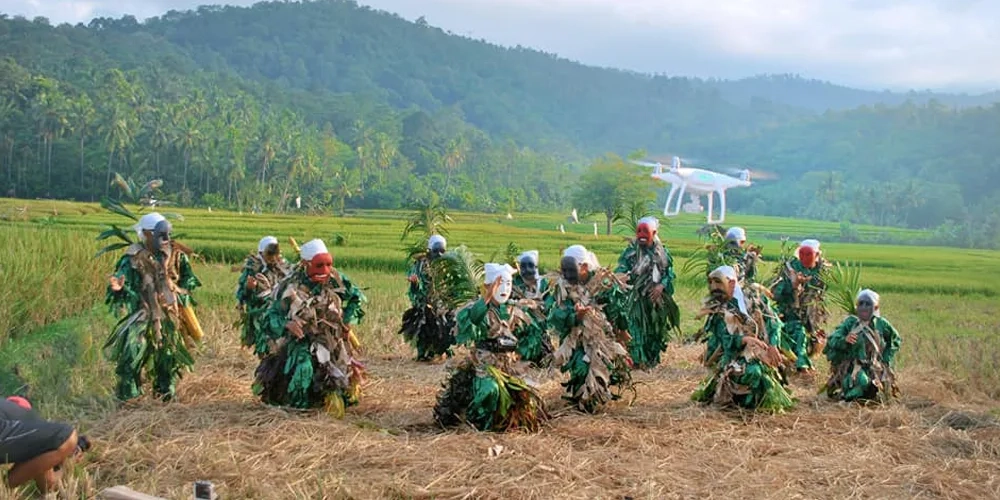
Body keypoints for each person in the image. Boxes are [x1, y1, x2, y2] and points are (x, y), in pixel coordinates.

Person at [253, 239, 367, 417]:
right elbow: (270, 316)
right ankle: (301, 410)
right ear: (305, 264)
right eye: (319, 266)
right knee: (303, 369)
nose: (325, 271)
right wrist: (287, 324)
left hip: (330, 337)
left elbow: (356, 297)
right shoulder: (290, 285)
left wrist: (346, 319)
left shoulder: (336, 279)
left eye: (328, 265)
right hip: (302, 339)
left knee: (337, 380)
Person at [433, 263, 546, 431]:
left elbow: (530, 333)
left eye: (508, 284)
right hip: (485, 365)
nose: (505, 289)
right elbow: (474, 318)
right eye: (500, 284)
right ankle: (476, 423)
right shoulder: (477, 308)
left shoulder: (513, 308)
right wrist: (486, 297)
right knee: (490, 390)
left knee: (528, 397)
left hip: (508, 366)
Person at [104, 212, 203, 402]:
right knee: (131, 354)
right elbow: (124, 283)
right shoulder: (133, 258)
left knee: (167, 358)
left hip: (168, 316)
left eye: (166, 234)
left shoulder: (176, 256)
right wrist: (118, 288)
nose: (165, 239)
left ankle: (165, 396)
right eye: (160, 235)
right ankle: (129, 399)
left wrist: (176, 290)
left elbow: (189, 281)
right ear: (147, 234)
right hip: (142, 314)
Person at [692, 266, 795, 412]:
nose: (714, 288)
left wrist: (773, 345)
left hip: (761, 351)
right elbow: (725, 339)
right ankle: (741, 403)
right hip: (734, 355)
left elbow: (774, 322)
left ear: (732, 283)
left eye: (718, 283)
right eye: (711, 283)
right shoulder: (717, 307)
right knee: (752, 372)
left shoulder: (754, 297)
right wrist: (744, 340)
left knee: (765, 374)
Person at [547, 245, 633, 413]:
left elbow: (616, 310)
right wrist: (576, 317)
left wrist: (621, 331)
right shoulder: (563, 287)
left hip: (602, 338)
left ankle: (597, 398)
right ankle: (583, 403)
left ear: (584, 267)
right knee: (581, 367)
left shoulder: (602, 283)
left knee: (605, 368)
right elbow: (557, 316)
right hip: (576, 339)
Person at [614, 216, 680, 370]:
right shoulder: (631, 251)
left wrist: (661, 286)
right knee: (636, 328)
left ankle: (652, 360)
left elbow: (669, 273)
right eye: (639, 232)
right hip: (636, 299)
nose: (641, 236)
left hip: (656, 299)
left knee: (655, 330)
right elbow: (622, 268)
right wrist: (621, 277)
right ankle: (638, 361)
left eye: (646, 232)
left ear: (654, 232)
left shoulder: (662, 252)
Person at [823, 289, 901, 403]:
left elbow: (895, 340)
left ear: (875, 307)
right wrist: (845, 340)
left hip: (875, 366)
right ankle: (848, 397)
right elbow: (832, 339)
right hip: (854, 366)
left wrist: (885, 358)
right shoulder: (851, 322)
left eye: (868, 304)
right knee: (859, 381)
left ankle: (858, 397)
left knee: (881, 390)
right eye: (861, 303)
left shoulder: (881, 324)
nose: (864, 307)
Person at [0, 397, 82, 495]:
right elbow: (48, 485)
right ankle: (3, 488)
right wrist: (67, 464)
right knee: (68, 437)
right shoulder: (33, 420)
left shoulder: (8, 412)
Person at [770, 238, 829, 373]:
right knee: (799, 335)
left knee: (815, 340)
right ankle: (803, 368)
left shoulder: (821, 271)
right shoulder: (789, 269)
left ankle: (801, 362)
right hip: (789, 314)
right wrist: (793, 285)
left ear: (817, 255)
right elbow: (775, 294)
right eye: (803, 254)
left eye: (809, 254)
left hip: (811, 316)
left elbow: (822, 290)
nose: (805, 258)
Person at [399, 235, 459, 361]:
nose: (439, 254)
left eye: (442, 251)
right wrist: (415, 283)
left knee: (445, 326)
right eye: (436, 251)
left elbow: (453, 283)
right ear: (430, 250)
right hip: (425, 301)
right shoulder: (421, 265)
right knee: (424, 327)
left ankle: (442, 350)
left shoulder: (447, 265)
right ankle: (423, 353)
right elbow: (416, 280)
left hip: (442, 302)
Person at [236, 236, 292, 358]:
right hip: (261, 313)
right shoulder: (252, 269)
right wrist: (249, 288)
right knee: (267, 347)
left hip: (280, 311)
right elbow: (242, 296)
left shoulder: (284, 265)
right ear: (261, 253)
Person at [509, 250, 554, 366]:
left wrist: (537, 305)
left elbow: (550, 305)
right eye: (523, 266)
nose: (527, 270)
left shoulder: (544, 284)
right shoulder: (515, 283)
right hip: (520, 324)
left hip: (539, 325)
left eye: (531, 266)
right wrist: (517, 304)